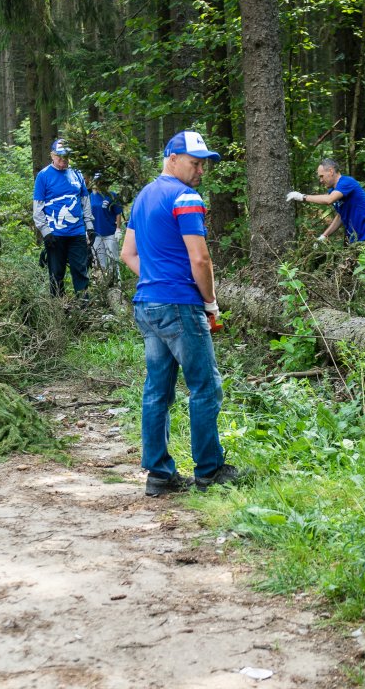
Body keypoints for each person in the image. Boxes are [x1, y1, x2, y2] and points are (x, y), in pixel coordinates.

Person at [120, 130, 245, 497]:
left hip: (147, 304)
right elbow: (200, 258)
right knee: (205, 386)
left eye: (204, 164)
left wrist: (157, 279)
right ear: (172, 158)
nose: (200, 171)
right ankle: (209, 471)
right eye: (195, 163)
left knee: (157, 391)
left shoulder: (143, 197)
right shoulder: (186, 197)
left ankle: (158, 475)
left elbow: (128, 255)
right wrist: (210, 304)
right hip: (180, 305)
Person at [33, 138, 94, 297]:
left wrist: (90, 227)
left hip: (77, 233)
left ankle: (84, 307)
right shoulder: (43, 176)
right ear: (52, 156)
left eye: (66, 158)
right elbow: (38, 207)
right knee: (56, 274)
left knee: (81, 271)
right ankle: (58, 310)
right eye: (59, 158)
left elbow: (85, 201)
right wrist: (46, 232)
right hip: (55, 234)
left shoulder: (77, 174)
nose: (62, 161)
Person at [285, 158, 365, 244]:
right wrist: (324, 236)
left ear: (331, 171)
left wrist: (302, 197)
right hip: (355, 238)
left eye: (321, 176)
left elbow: (329, 199)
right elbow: (341, 216)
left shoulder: (347, 182)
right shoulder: (333, 191)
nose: (321, 180)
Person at [89, 173, 125, 282]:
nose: (99, 184)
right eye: (97, 181)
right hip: (95, 234)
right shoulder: (91, 196)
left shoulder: (112, 196)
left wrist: (118, 229)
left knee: (113, 259)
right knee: (98, 260)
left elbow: (118, 213)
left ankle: (116, 281)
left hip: (110, 232)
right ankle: (101, 283)